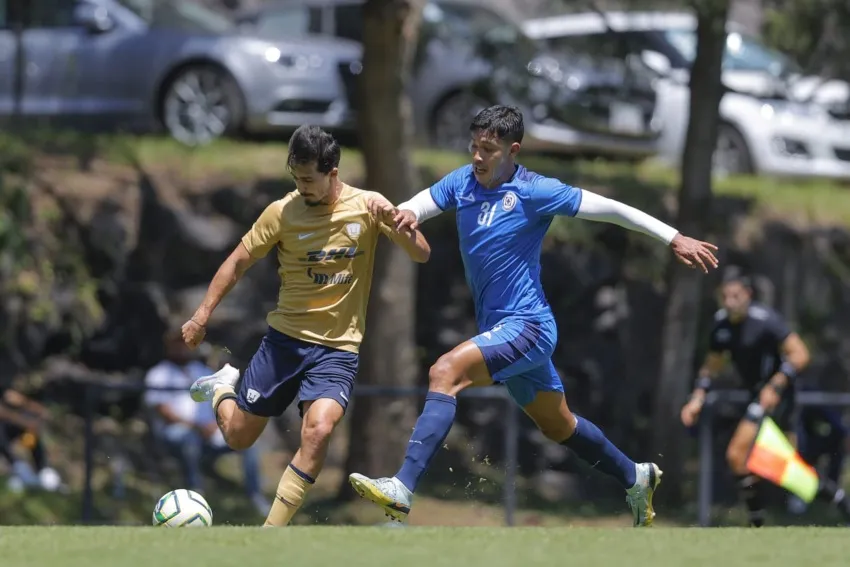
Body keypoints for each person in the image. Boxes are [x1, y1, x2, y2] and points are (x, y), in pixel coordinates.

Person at [348, 105, 719, 527]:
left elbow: (611, 208)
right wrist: (407, 212)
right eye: (474, 146)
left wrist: (672, 237)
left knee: (445, 371)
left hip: (528, 327)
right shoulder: (463, 183)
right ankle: (635, 476)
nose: (477, 156)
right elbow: (419, 204)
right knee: (558, 425)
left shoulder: (535, 191)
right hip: (503, 332)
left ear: (513, 150)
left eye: (488, 149)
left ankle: (402, 489)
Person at [181, 125, 431, 527]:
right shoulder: (282, 212)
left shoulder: (368, 205)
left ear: (333, 172)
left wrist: (401, 225)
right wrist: (201, 315)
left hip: (338, 350)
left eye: (309, 180)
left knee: (318, 431)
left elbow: (420, 254)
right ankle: (222, 388)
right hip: (285, 344)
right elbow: (237, 261)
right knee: (238, 436)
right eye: (296, 178)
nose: (301, 187)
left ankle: (269, 536)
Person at [681, 269, 850, 526]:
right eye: (724, 296)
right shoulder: (721, 325)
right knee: (769, 464)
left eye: (735, 295)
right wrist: (697, 397)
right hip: (756, 398)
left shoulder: (766, 321)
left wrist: (775, 385)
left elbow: (801, 354)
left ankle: (759, 520)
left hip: (780, 398)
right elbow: (712, 365)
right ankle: (763, 519)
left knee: (761, 460)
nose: (730, 302)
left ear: (748, 295)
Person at [144, 330, 269, 515]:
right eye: (176, 344)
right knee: (188, 438)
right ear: (168, 346)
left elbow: (219, 400)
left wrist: (218, 423)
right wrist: (196, 427)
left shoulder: (203, 371)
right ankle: (196, 495)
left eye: (184, 343)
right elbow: (163, 411)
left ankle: (255, 496)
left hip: (210, 431)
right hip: (178, 432)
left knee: (247, 441)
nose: (181, 348)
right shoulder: (158, 373)